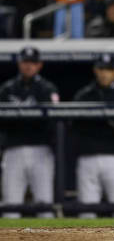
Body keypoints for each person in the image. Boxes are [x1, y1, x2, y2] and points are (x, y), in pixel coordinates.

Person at [72, 53, 114, 218]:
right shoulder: (84, 95)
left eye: (109, 69)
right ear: (95, 70)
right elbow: (75, 126)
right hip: (88, 157)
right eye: (101, 69)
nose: (105, 73)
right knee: (86, 212)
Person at [0, 47, 59, 218]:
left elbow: (52, 122)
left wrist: (20, 119)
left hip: (41, 150)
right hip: (13, 150)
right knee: (10, 204)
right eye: (25, 62)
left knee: (44, 204)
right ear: (19, 63)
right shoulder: (7, 89)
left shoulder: (48, 88)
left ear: (39, 65)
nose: (28, 66)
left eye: (32, 62)